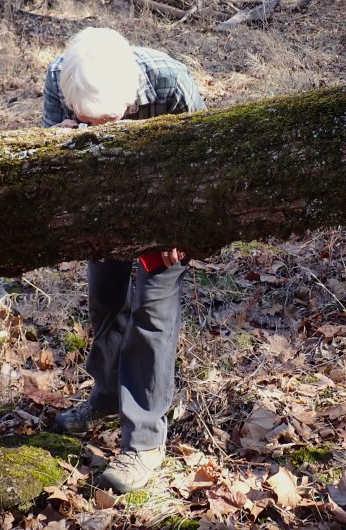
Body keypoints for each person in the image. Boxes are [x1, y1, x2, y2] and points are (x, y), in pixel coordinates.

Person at [42, 26, 205, 493]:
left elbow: (205, 158)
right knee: (104, 296)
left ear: (132, 97)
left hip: (163, 205)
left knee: (152, 315)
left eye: (109, 121)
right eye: (89, 122)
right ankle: (107, 394)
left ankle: (145, 441)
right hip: (102, 207)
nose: (101, 134)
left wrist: (182, 225)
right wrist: (62, 141)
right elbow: (49, 155)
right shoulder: (61, 77)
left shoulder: (171, 83)